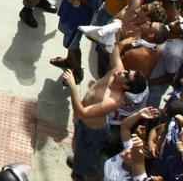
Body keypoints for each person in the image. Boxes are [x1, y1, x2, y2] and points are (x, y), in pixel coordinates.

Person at [60, 39, 146, 181]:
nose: (122, 72)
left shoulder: (113, 101)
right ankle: (78, 161)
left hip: (92, 131)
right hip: (82, 122)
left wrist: (73, 86)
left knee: (87, 158)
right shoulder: (117, 71)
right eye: (127, 71)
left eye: (126, 75)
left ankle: (80, 174)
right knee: (76, 144)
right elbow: (116, 46)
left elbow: (83, 112)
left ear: (126, 87)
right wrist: (116, 30)